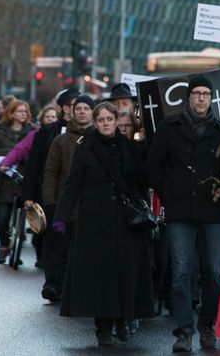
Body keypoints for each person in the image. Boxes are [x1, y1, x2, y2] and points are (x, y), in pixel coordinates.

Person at [53, 102, 154, 346]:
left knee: (124, 271)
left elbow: (141, 181)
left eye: (110, 119)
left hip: (125, 221)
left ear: (116, 121)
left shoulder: (129, 147)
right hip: (95, 221)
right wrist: (61, 215)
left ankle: (123, 319)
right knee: (100, 275)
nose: (106, 123)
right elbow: (73, 182)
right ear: (95, 123)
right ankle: (103, 328)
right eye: (101, 120)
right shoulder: (86, 148)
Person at [145, 73, 220, 353]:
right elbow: (153, 166)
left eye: (206, 93)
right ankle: (183, 330)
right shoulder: (170, 127)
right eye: (196, 94)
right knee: (181, 272)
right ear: (189, 97)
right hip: (180, 211)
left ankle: (207, 324)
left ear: (211, 98)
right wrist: (169, 193)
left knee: (214, 273)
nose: (202, 98)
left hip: (213, 211)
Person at [40, 95, 94, 302]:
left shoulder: (98, 138)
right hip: (64, 205)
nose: (81, 112)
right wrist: (50, 202)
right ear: (72, 112)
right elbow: (51, 171)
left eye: (86, 108)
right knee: (60, 249)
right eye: (78, 108)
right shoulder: (60, 140)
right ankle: (56, 285)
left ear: (92, 112)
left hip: (91, 205)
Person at [21, 88, 80, 266]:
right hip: (50, 193)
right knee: (51, 237)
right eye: (73, 105)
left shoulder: (90, 133)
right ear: (65, 108)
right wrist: (28, 195)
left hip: (77, 194)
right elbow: (34, 166)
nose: (78, 110)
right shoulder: (46, 133)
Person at [0, 99, 33, 264]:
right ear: (11, 113)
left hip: (23, 178)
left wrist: (21, 155)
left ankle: (18, 247)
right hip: (3, 181)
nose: (23, 114)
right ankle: (4, 247)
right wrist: (11, 154)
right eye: (19, 111)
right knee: (2, 218)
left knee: (23, 217)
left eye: (25, 111)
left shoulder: (32, 131)